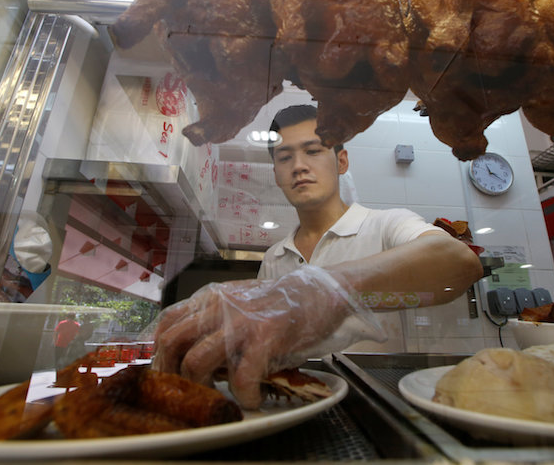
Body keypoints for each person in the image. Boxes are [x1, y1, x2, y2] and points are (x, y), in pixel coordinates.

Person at [155, 104, 483, 409]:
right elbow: (260, 343)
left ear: (341, 161)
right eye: (284, 158)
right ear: (276, 174)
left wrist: (324, 287)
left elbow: (460, 261)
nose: (299, 166)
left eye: (313, 151)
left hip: (383, 405)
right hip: (295, 407)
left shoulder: (385, 225)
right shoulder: (275, 257)